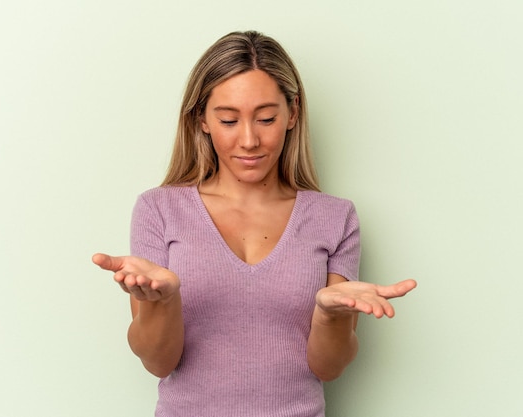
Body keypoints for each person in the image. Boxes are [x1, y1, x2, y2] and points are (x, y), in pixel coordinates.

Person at [92, 30, 416, 417]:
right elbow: (158, 363)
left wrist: (330, 316)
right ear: (202, 119)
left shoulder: (335, 217)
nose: (249, 140)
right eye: (229, 120)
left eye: (266, 118)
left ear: (292, 113)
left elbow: (328, 368)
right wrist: (163, 303)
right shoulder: (159, 209)